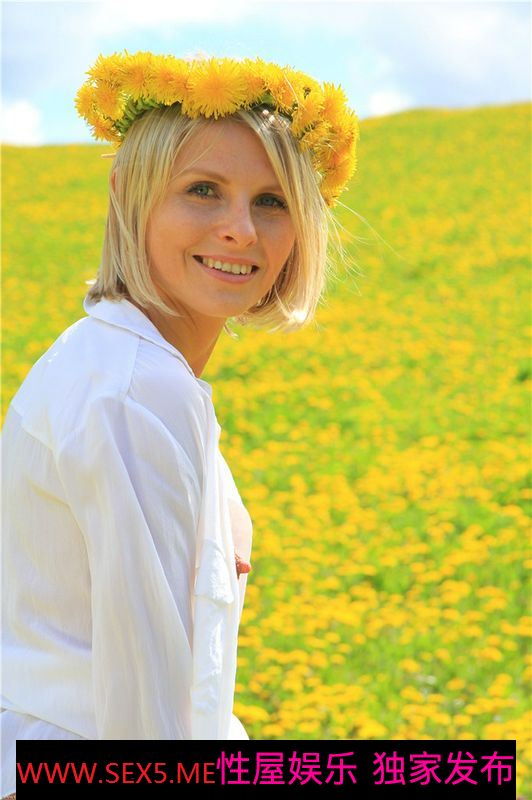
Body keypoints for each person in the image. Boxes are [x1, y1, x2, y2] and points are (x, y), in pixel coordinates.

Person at [0, 51, 359, 798]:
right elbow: (144, 716)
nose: (241, 230)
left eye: (272, 201)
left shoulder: (123, 365)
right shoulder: (135, 392)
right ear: (129, 196)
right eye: (203, 190)